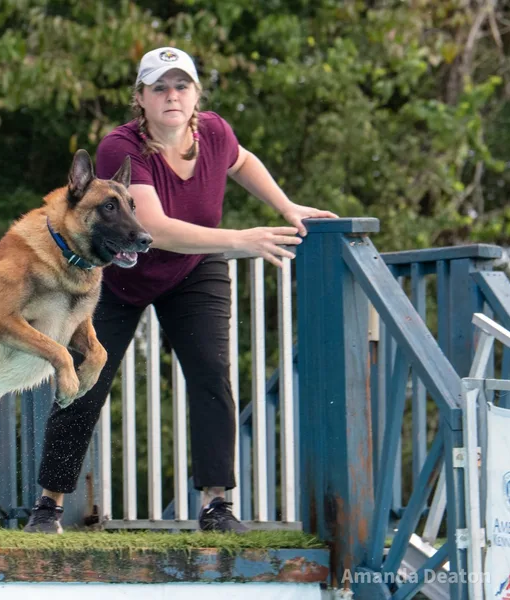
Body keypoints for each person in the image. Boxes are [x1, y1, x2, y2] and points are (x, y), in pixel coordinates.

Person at [24, 47, 338, 533]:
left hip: (194, 270)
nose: (172, 95)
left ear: (195, 95)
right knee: (86, 379)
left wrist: (287, 206)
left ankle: (216, 504)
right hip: (117, 275)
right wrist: (242, 239)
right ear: (141, 99)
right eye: (160, 88)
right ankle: (48, 505)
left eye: (181, 86)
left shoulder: (214, 131)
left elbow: (242, 160)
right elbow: (154, 229)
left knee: (212, 373)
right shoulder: (119, 147)